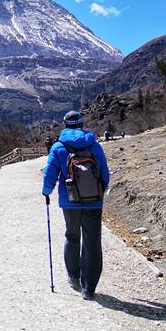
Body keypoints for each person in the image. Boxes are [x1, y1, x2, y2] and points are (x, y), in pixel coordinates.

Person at [42, 110, 110, 300]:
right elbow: (105, 174)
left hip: (70, 201)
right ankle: (88, 289)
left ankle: (74, 276)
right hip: (94, 201)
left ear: (64, 124)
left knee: (72, 237)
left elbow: (50, 174)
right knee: (92, 242)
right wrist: (99, 192)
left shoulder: (58, 147)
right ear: (81, 124)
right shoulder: (94, 145)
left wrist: (46, 191)